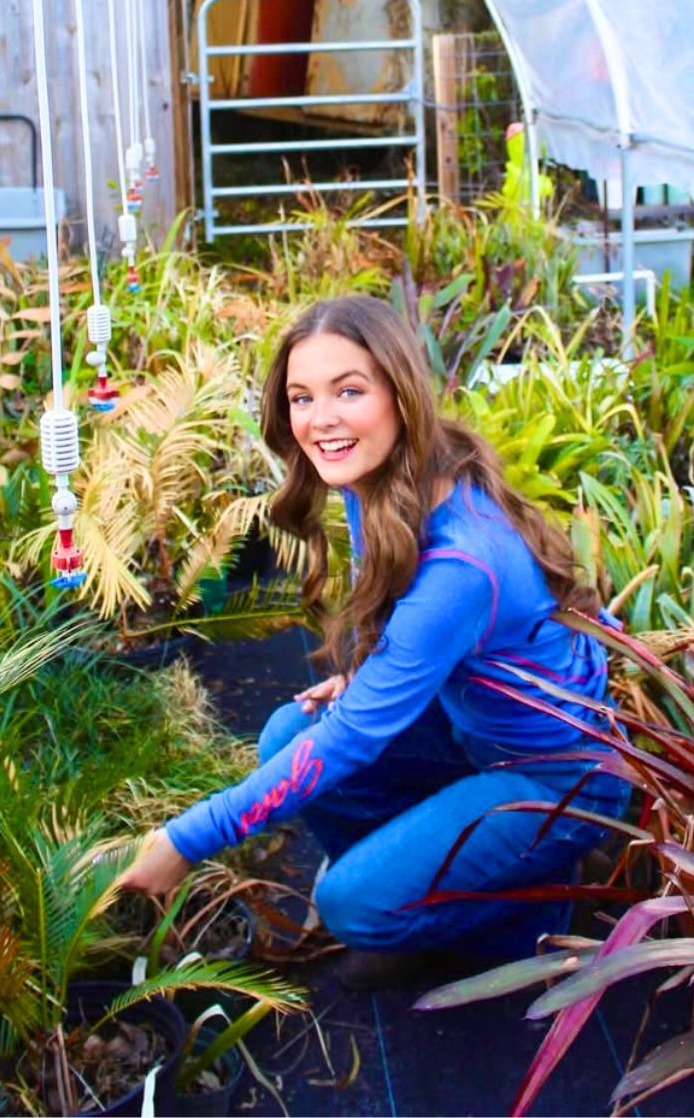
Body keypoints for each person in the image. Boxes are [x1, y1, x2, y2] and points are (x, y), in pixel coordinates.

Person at [120, 295, 629, 988]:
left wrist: (184, 840)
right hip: (472, 735)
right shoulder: (382, 475)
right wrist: (367, 670)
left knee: (351, 905)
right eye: (302, 396)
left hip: (558, 785)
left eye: (348, 391)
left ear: (400, 394)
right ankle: (423, 870)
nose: (319, 419)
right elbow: (388, 609)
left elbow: (356, 739)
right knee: (285, 733)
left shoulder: (462, 565)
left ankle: (531, 909)